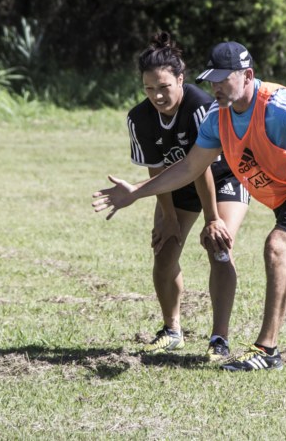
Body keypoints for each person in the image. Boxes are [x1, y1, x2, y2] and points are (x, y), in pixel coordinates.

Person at [93, 40, 286, 372]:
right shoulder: (217, 117)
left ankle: (267, 350)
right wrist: (137, 191)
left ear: (247, 76)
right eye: (213, 79)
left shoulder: (277, 104)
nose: (216, 87)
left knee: (277, 247)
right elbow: (189, 168)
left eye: (225, 79)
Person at [119, 32, 249, 362]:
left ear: (180, 79)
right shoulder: (139, 118)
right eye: (149, 88)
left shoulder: (199, 106)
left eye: (164, 87)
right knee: (164, 252)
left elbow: (201, 168)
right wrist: (170, 218)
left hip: (222, 179)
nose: (157, 95)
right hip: (176, 185)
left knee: (219, 246)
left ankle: (219, 338)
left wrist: (212, 219)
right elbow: (156, 169)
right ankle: (172, 330)